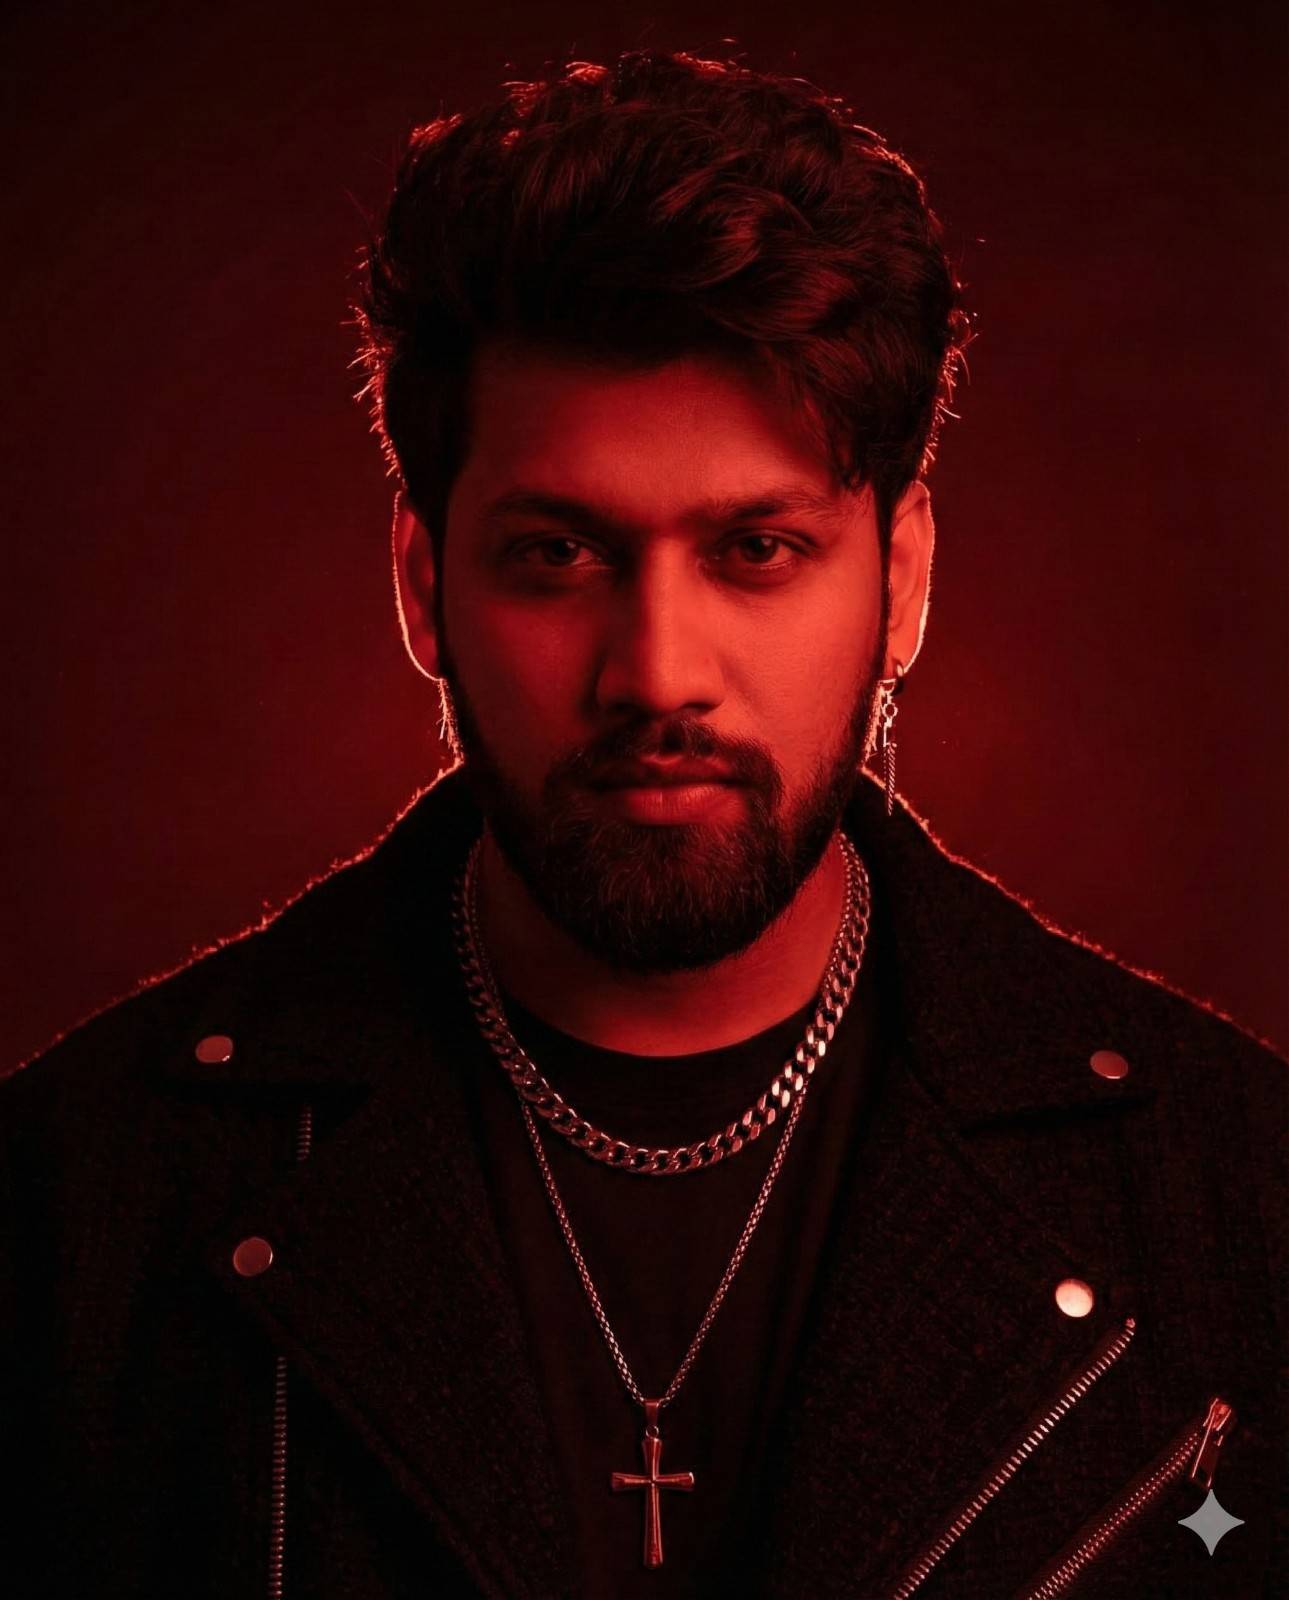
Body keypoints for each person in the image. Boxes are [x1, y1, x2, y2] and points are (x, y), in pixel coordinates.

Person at [3, 48, 1284, 1600]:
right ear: (422, 584)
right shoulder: (81, 1206)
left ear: (903, 580)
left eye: (756, 549)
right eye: (557, 553)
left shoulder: (1235, 1194)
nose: (658, 673)